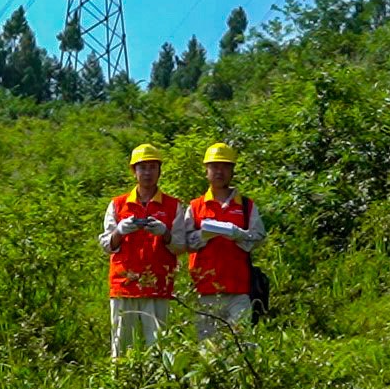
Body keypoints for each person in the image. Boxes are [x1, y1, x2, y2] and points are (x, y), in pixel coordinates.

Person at [99, 143, 194, 356]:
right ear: (134, 171)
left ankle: (160, 387)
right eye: (142, 167)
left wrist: (165, 233)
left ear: (160, 170)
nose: (148, 173)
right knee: (121, 347)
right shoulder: (118, 204)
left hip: (158, 285)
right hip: (124, 285)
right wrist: (120, 232)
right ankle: (119, 388)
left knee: (158, 347)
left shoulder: (172, 205)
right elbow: (106, 244)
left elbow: (180, 245)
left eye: (153, 167)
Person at [185, 142, 266, 340]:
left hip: (239, 289)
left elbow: (259, 237)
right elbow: (184, 242)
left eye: (225, 166)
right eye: (214, 166)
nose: (219, 171)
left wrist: (239, 234)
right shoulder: (195, 206)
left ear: (232, 171)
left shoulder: (246, 206)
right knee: (207, 348)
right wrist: (202, 236)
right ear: (206, 171)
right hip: (205, 290)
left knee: (242, 344)